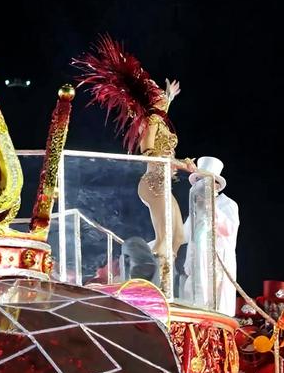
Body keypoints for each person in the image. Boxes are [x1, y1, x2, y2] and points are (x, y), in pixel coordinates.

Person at [73, 35, 196, 295]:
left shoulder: (159, 119)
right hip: (152, 182)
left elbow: (159, 114)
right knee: (166, 237)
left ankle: (141, 268)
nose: (162, 93)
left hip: (163, 182)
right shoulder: (151, 121)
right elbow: (149, 151)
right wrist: (180, 163)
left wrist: (170, 98)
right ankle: (158, 289)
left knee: (177, 236)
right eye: (157, 92)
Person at [182, 156, 240, 315]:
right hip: (196, 269)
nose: (200, 185)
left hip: (217, 269)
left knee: (215, 306)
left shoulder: (227, 204)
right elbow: (183, 235)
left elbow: (228, 229)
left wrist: (209, 206)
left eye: (204, 181)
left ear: (215, 185)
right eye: (198, 180)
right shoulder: (195, 208)